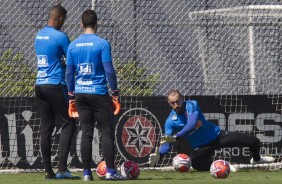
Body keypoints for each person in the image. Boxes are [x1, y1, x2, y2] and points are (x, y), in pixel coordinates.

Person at [149, 89, 275, 171]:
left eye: (178, 101)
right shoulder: (170, 122)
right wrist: (160, 155)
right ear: (169, 103)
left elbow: (191, 124)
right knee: (195, 163)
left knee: (254, 141)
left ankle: (257, 159)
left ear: (182, 99)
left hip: (218, 136)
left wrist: (177, 136)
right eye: (172, 103)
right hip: (202, 147)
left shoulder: (191, 104)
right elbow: (167, 142)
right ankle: (219, 165)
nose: (176, 105)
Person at [65, 9, 123, 181]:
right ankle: (111, 172)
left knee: (86, 133)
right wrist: (115, 94)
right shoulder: (102, 43)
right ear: (97, 24)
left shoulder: (73, 45)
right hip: (98, 92)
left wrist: (71, 96)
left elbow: (69, 74)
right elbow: (109, 72)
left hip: (81, 93)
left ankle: (86, 173)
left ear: (81, 24)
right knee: (105, 131)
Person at [34, 3, 81, 180]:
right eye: (64, 21)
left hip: (40, 85)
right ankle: (62, 169)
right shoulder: (60, 36)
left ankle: (48, 172)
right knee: (69, 123)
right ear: (60, 18)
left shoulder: (38, 35)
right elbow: (71, 62)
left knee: (46, 128)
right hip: (55, 84)